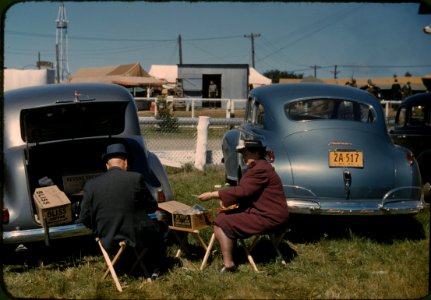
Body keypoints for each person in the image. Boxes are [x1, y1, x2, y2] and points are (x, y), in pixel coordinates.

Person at [198, 140, 289, 272]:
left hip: (269, 217)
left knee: (221, 221)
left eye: (245, 153)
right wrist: (229, 203)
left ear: (256, 152)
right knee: (224, 215)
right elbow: (248, 193)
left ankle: (229, 264)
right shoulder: (261, 166)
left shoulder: (260, 169)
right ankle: (233, 253)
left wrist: (213, 194)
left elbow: (242, 191)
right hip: (268, 213)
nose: (243, 156)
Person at [77, 143, 165, 279]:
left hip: (107, 237)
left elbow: (84, 217)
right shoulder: (135, 178)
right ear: (125, 163)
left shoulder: (91, 185)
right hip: (135, 236)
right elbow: (151, 206)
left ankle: (126, 263)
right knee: (162, 227)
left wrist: (98, 229)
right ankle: (154, 269)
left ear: (107, 165)